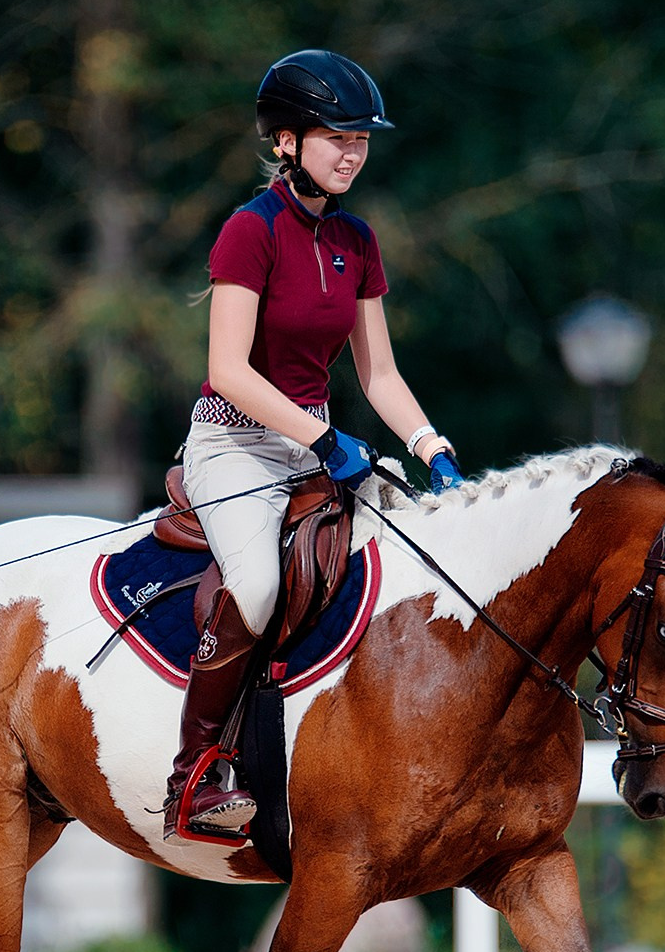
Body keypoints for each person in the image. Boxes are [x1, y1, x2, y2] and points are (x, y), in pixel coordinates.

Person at [163, 48, 466, 841]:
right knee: (260, 583)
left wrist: (431, 447)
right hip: (233, 446)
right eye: (338, 138)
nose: (353, 153)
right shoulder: (249, 230)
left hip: (314, 446)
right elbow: (229, 370)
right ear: (287, 141)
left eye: (361, 140)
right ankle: (195, 772)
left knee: (416, 551)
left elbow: (381, 374)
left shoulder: (358, 240)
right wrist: (324, 438)